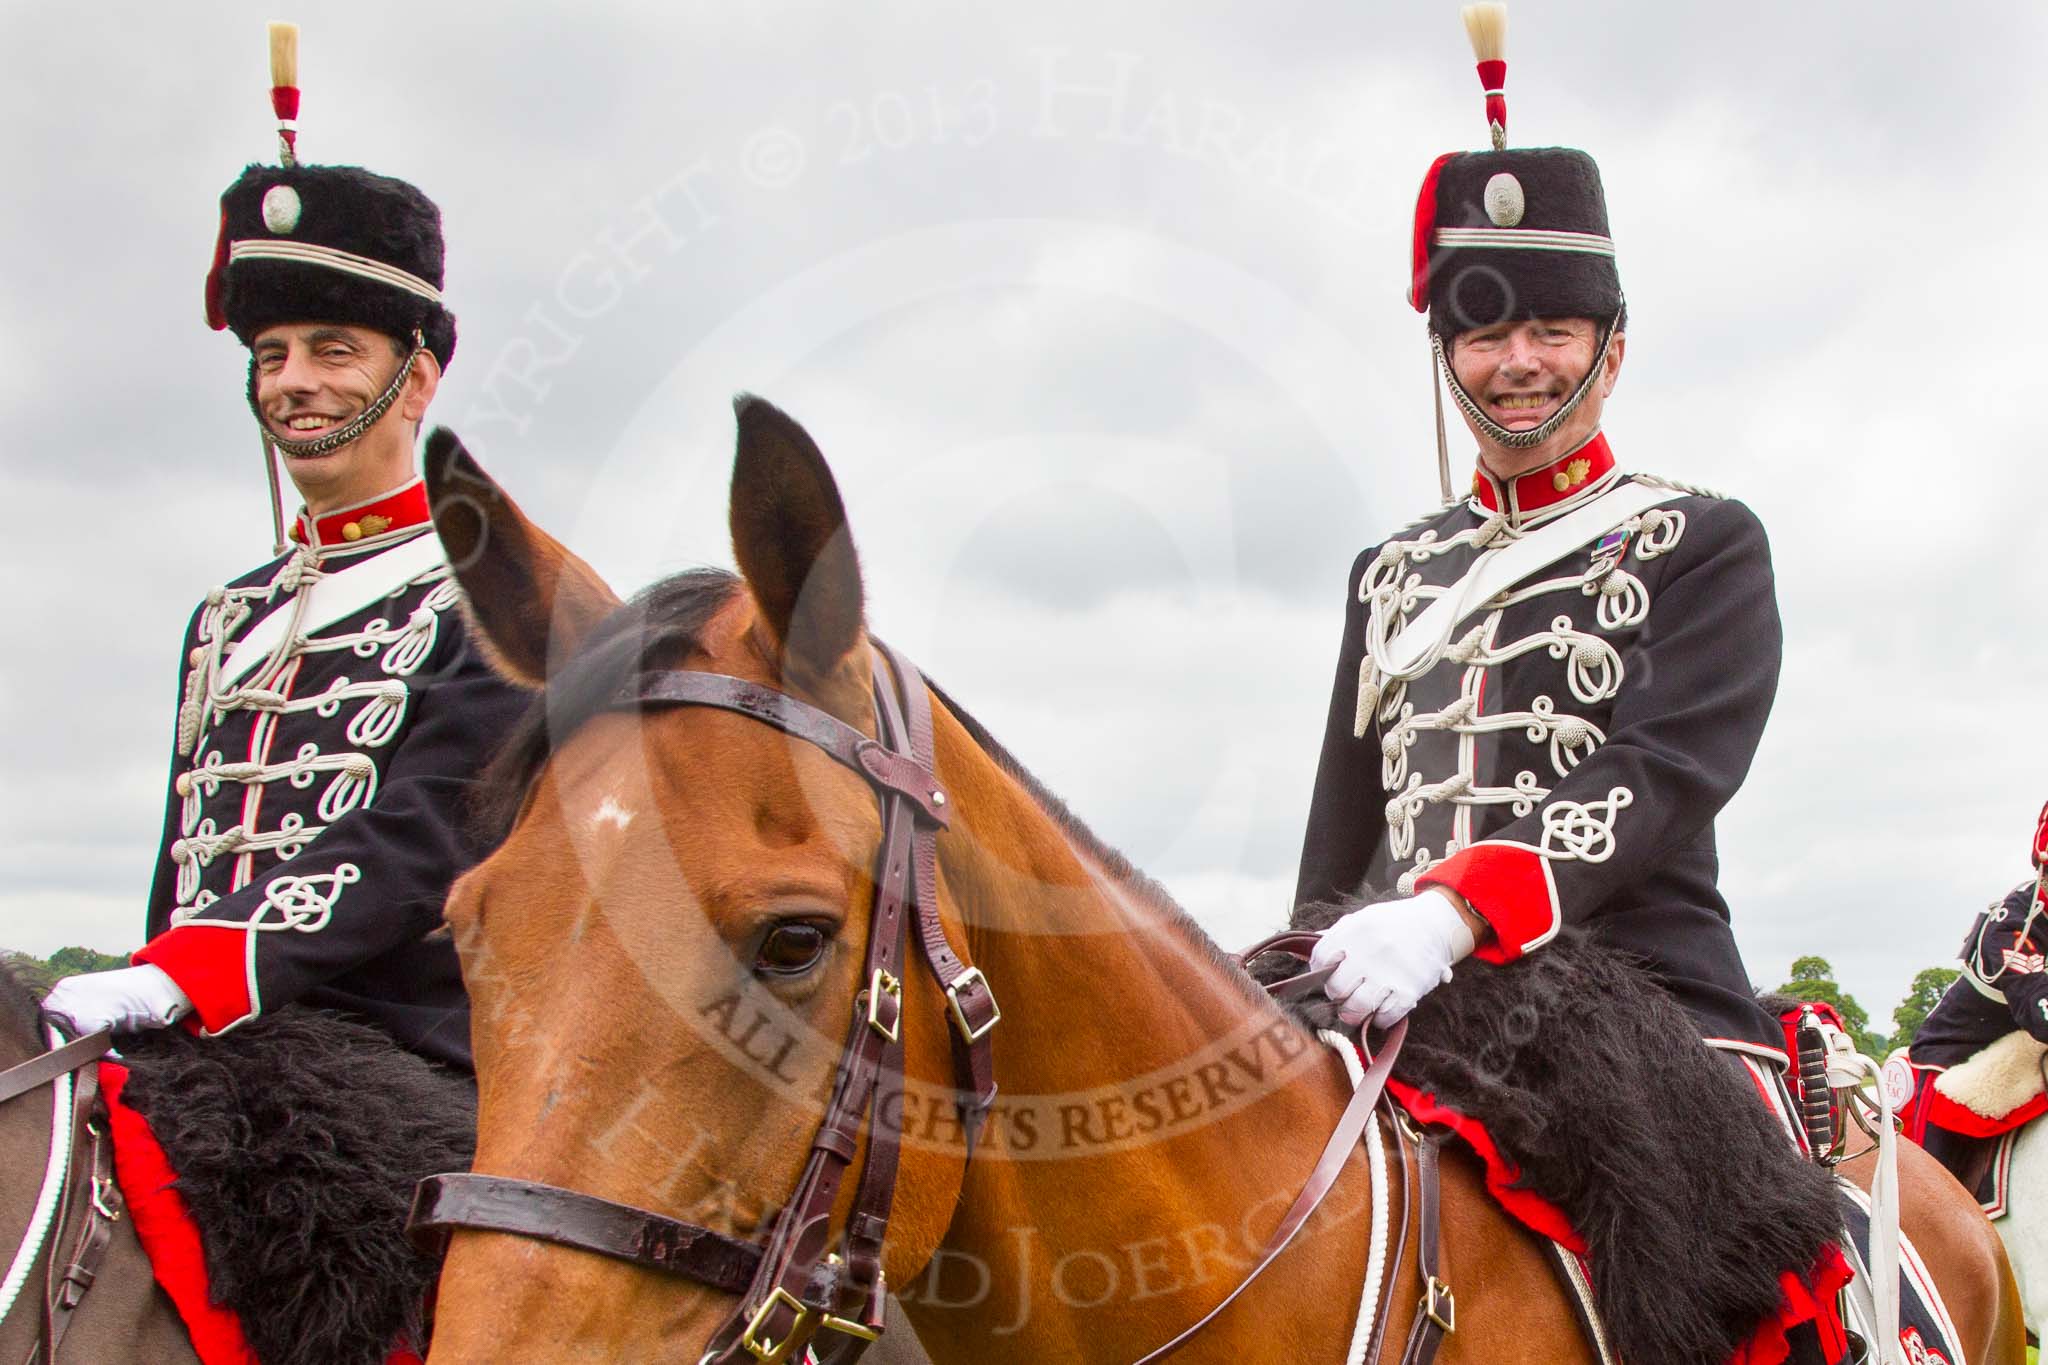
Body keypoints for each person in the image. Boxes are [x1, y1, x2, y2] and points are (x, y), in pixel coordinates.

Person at [1293, 7, 1849, 1360]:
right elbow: (1342, 824)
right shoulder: (1392, 572)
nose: (1518, 365)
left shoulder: (1704, 540)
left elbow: (1659, 779)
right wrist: (1314, 954)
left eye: (1552, 327)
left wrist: (1451, 915)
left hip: (1648, 999)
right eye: (1486, 339)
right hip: (1411, 1010)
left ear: (1611, 342)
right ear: (1447, 355)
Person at [41, 32, 525, 1073]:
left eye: (334, 351)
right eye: (272, 355)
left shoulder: (487, 596)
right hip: (207, 1044)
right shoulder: (228, 614)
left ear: (420, 377)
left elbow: (423, 843)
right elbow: (187, 861)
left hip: (402, 1065)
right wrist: (152, 988)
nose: (292, 381)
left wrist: (187, 972)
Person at [1895, 802, 2048, 1210]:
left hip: (2026, 1052)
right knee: (1928, 1203)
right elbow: (2042, 1013)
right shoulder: (2015, 924)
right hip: (1957, 1058)